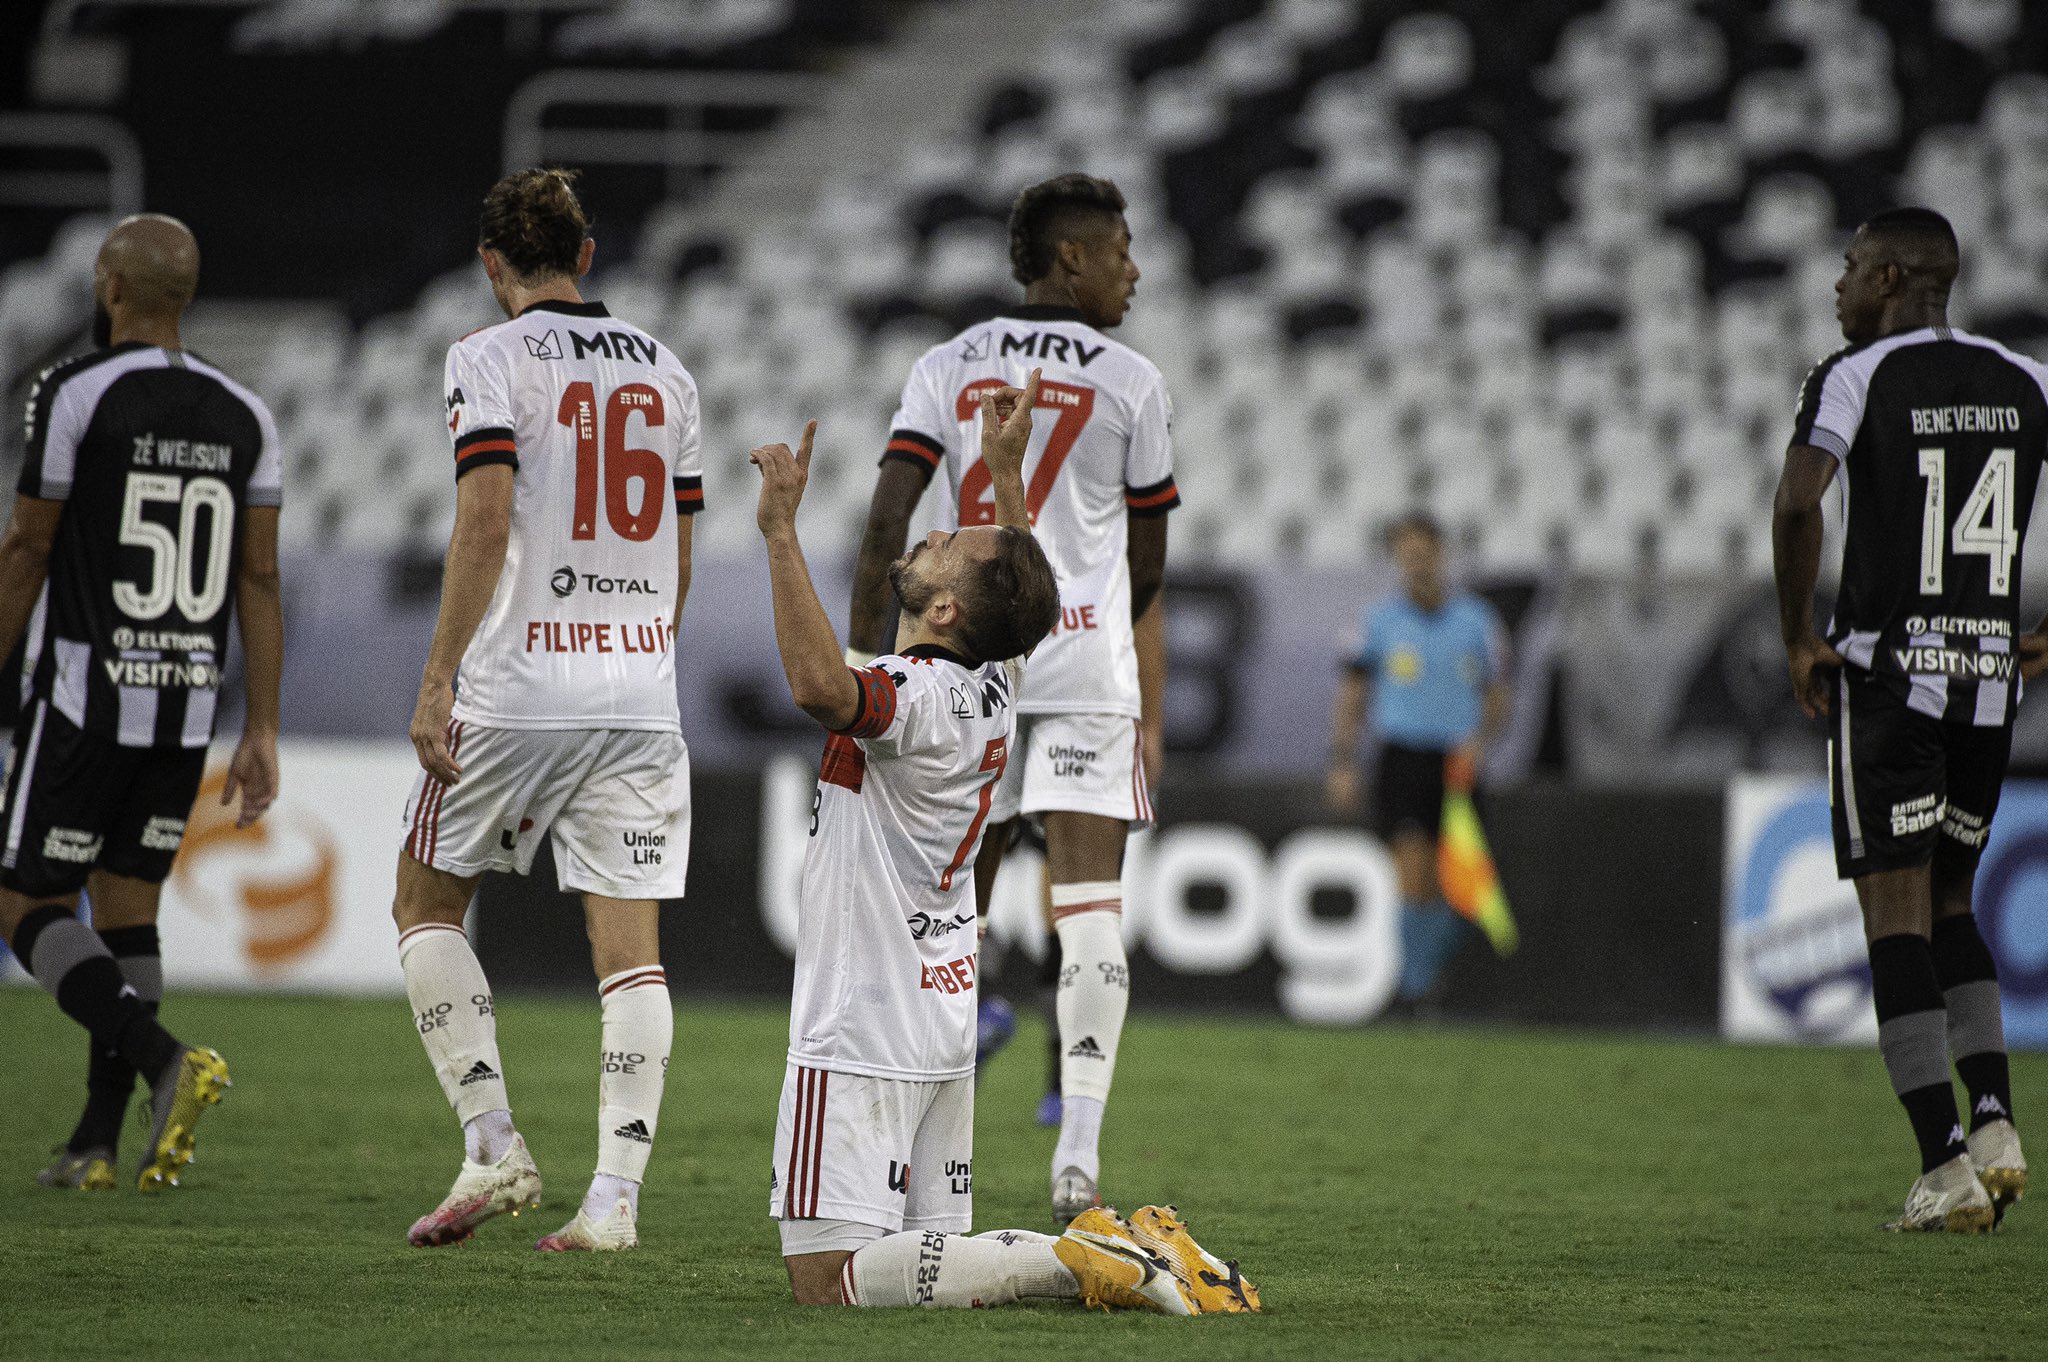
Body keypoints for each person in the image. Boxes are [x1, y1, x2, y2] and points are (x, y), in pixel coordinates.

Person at [755, 374, 1253, 1315]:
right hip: (938, 1013)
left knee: (828, 1282)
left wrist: (780, 533)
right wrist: (1006, 475)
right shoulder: (996, 682)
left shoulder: (923, 699)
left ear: (946, 612)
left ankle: (1093, 1259)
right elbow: (1020, 591)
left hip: (862, 1020)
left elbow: (825, 689)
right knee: (932, 1257)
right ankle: (1110, 1265)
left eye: (950, 543)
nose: (934, 532)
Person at [846, 173, 1176, 1222]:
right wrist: (1080, 624)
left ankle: (915, 1165)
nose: (1134, 267)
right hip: (1083, 672)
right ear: (1069, 259)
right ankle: (1074, 1159)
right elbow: (1148, 562)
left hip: (969, 666)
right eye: (1120, 247)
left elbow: (883, 528)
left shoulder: (945, 365)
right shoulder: (1131, 382)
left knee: (948, 916)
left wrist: (870, 681)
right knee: (1088, 913)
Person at [394, 169, 702, 1252]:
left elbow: (484, 525)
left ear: (492, 268)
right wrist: (641, 651)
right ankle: (612, 1203)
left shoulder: (485, 358)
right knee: (631, 954)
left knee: (425, 906)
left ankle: (493, 1144)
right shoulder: (668, 372)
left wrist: (438, 678)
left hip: (522, 684)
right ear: (586, 254)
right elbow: (680, 546)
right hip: (638, 687)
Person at [1774, 206, 2045, 1233]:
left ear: (1889, 277)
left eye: (1847, 269)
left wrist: (1799, 635)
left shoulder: (1855, 376)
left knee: (1889, 916)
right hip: (1985, 678)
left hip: (1888, 676)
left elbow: (1798, 502)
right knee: (1950, 904)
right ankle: (1992, 1124)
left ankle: (1941, 1167)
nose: (1835, 288)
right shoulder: (2024, 379)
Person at [0, 213, 281, 1192]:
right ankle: (95, 1143)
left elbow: (30, 547)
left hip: (84, 698)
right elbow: (258, 581)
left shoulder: (73, 393)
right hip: (184, 707)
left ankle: (164, 1060)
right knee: (128, 916)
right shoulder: (247, 413)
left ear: (110, 287)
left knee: (24, 900)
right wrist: (264, 728)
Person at [1325, 512, 1509, 1011]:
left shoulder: (1478, 621)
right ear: (1397, 559)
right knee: (1412, 869)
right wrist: (1342, 760)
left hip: (1457, 762)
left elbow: (1497, 695)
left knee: (1460, 887)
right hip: (1402, 757)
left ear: (1440, 553)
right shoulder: (1379, 620)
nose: (1417, 564)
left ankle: (1426, 976)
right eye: (1407, 555)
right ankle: (1414, 989)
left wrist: (1483, 740)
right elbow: (1353, 693)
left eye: (1424, 553)